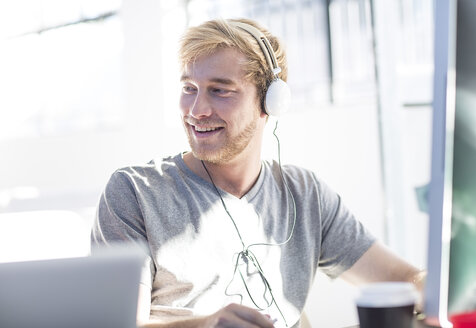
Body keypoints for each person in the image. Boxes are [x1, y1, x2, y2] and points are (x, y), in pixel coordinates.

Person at [91, 18, 425, 328]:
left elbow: (403, 278)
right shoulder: (133, 192)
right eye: (189, 88)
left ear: (269, 101)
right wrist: (205, 325)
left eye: (220, 90)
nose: (196, 111)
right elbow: (116, 325)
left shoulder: (304, 194)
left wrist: (435, 288)